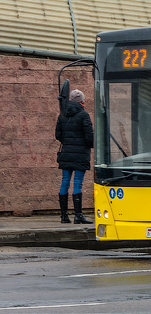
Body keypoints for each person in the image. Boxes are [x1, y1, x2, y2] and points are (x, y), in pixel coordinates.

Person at [55, 89, 93, 225]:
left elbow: (58, 135)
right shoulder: (84, 115)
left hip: (66, 153)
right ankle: (78, 216)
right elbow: (90, 137)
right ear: (82, 101)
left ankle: (64, 216)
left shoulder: (62, 115)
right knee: (78, 183)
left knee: (65, 181)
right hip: (80, 154)